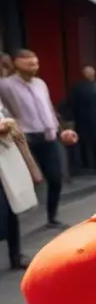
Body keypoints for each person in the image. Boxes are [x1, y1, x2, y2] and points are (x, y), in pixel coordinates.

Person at [0, 48, 77, 228]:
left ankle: (52, 217)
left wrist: (61, 130)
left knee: (56, 178)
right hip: (24, 139)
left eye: (35, 63)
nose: (34, 66)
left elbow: (48, 109)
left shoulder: (40, 83)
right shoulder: (5, 85)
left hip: (47, 136)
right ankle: (17, 221)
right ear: (16, 63)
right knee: (25, 180)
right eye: (28, 63)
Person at [0, 103, 40, 269]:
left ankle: (16, 256)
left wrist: (8, 125)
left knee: (11, 209)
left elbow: (10, 123)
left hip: (6, 159)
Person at [67, 63, 96, 172]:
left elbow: (72, 104)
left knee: (85, 144)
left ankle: (88, 165)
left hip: (83, 120)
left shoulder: (78, 88)